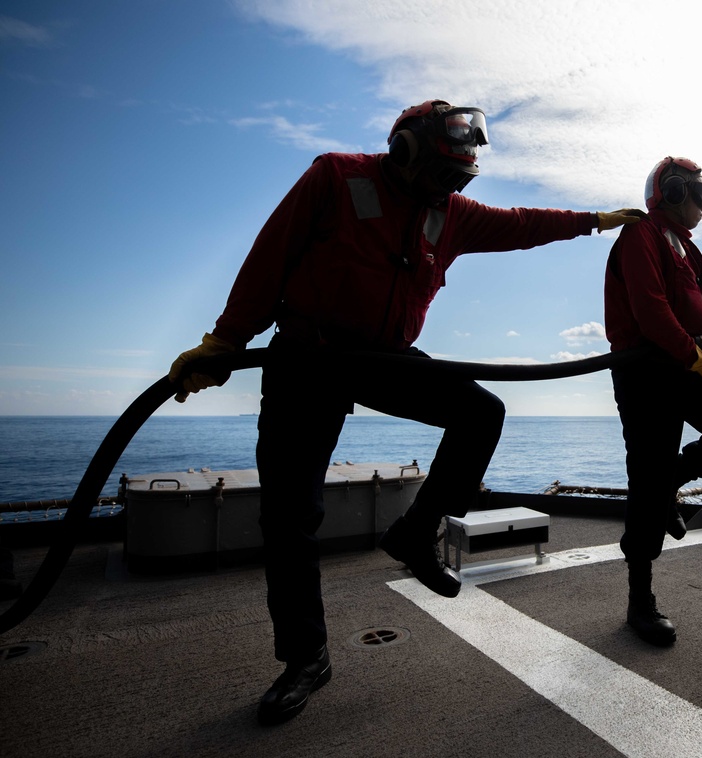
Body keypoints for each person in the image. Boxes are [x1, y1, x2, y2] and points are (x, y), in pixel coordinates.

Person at [168, 99, 639, 725]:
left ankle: (415, 534)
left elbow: (521, 223)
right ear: (404, 152)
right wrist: (227, 340)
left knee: (480, 413)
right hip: (307, 358)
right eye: (440, 175)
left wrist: (594, 220)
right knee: (289, 516)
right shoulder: (335, 177)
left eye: (457, 180)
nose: (446, 190)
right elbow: (268, 259)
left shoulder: (451, 214)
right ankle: (306, 657)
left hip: (384, 358)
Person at [603, 156, 702, 647]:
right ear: (672, 193)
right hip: (647, 374)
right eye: (698, 194)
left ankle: (671, 481)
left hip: (683, 363)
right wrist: (695, 355)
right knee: (645, 474)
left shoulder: (686, 249)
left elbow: (689, 312)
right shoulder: (640, 236)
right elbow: (651, 313)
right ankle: (640, 602)